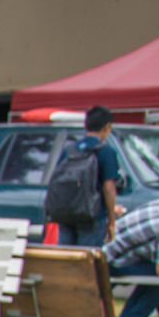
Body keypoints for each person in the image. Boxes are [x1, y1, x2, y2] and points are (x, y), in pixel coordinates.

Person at [50, 106, 122, 248]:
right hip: (91, 216)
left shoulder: (69, 150)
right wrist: (111, 220)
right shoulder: (106, 152)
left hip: (65, 214)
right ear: (107, 127)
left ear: (85, 126)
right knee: (87, 258)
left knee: (65, 257)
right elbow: (109, 188)